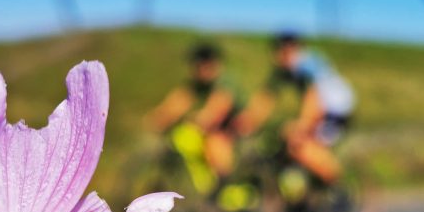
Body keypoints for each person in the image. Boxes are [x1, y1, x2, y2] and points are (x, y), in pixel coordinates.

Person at [235, 31, 355, 185]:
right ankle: (306, 186)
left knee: (300, 145)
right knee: (286, 141)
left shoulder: (306, 65)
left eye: (279, 51)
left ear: (289, 50)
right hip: (322, 109)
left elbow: (314, 100)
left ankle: (338, 181)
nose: (275, 57)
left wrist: (302, 124)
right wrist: (248, 119)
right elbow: (266, 97)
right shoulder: (284, 69)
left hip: (335, 111)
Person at [145, 42, 243, 182]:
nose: (201, 69)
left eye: (205, 64)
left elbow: (217, 108)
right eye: (198, 64)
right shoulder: (196, 85)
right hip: (206, 129)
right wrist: (159, 117)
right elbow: (178, 101)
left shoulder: (225, 82)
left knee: (214, 145)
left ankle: (225, 185)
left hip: (232, 132)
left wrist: (200, 119)